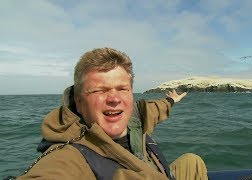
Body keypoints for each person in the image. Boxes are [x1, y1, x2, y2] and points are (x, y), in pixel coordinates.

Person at [16, 47, 208, 180]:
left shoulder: (136, 117)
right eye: (100, 90)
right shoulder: (69, 156)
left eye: (122, 88)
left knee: (192, 161)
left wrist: (171, 100)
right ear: (79, 101)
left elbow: (155, 109)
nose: (114, 98)